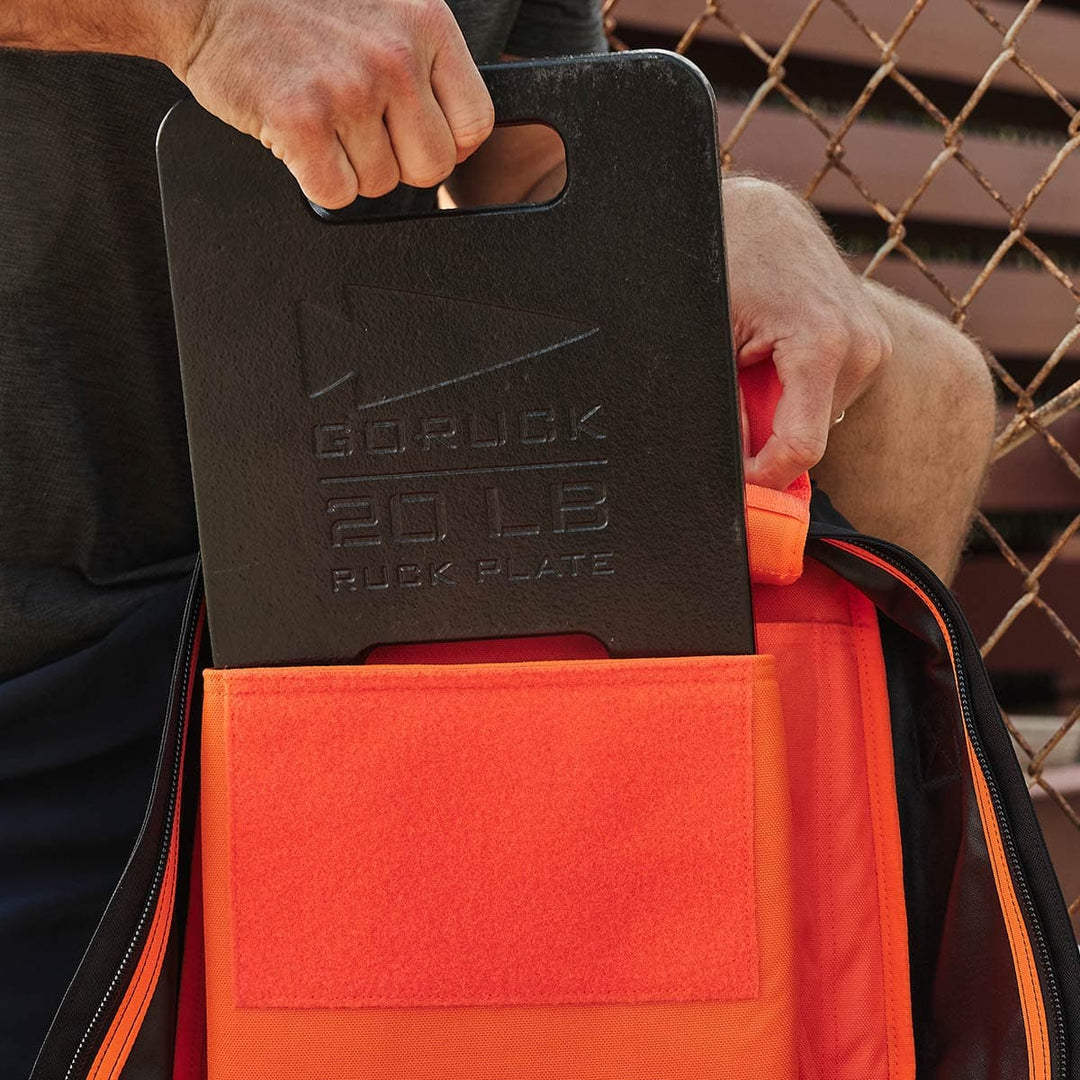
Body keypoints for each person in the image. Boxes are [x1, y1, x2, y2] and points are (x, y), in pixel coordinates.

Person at [0, 1, 995, 1075]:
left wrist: (722, 222)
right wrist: (195, 21)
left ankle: (837, 955)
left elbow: (518, 146)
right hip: (55, 636)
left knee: (925, 386)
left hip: (352, 560)